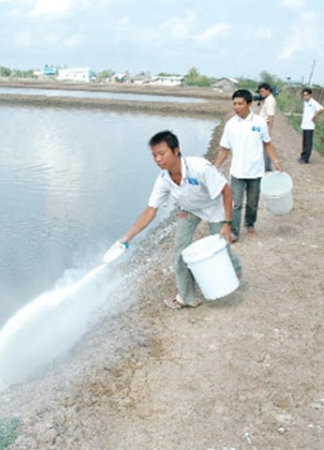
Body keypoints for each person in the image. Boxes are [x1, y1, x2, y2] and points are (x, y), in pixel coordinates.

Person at [115, 130, 242, 310]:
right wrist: (127, 237)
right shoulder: (163, 179)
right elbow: (151, 210)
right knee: (180, 252)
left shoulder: (200, 168)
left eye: (161, 154)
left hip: (215, 206)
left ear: (175, 151)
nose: (158, 159)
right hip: (190, 210)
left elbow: (226, 191)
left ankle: (235, 267)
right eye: (154, 156)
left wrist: (228, 224)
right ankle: (187, 296)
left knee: (220, 245)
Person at [214, 89, 282, 242]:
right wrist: (215, 166)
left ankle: (250, 224)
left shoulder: (259, 123)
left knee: (252, 203)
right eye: (234, 104)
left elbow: (267, 144)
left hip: (256, 172)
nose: (236, 107)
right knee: (236, 204)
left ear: (249, 104)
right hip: (237, 171)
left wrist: (276, 161)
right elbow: (224, 149)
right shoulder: (231, 125)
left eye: (240, 104)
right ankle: (234, 232)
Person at [299, 87, 324, 164]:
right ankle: (303, 155)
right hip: (305, 124)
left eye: (306, 95)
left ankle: (306, 158)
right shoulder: (305, 102)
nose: (305, 97)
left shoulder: (313, 102)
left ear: (310, 95)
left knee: (308, 142)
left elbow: (321, 109)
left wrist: (315, 116)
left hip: (310, 125)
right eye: (304, 95)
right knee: (304, 141)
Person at [257, 82, 277, 171]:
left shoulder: (270, 101)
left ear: (268, 90)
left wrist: (269, 130)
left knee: (266, 145)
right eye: (260, 92)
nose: (262, 93)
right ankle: (265, 165)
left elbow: (271, 116)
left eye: (262, 91)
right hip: (263, 124)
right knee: (263, 145)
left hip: (266, 124)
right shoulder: (268, 99)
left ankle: (267, 167)